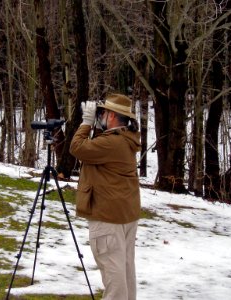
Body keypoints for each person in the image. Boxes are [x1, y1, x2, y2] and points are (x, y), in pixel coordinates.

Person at [69, 93, 141, 300]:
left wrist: (86, 123)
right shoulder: (126, 138)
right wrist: (96, 125)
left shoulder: (112, 143)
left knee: (113, 271)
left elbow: (77, 148)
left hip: (108, 216)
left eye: (103, 113)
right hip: (125, 213)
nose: (99, 116)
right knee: (124, 268)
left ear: (111, 116)